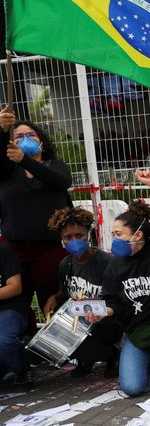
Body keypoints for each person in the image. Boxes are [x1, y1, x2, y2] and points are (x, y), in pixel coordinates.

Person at [86, 170, 150, 397]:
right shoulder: (114, 265)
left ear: (138, 235)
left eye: (119, 234)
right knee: (132, 388)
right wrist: (104, 312)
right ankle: (147, 357)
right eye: (113, 233)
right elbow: (112, 300)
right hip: (136, 330)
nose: (114, 239)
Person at [0, 106, 72, 335]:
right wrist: (2, 130)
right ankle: (22, 344)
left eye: (31, 134)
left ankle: (58, 344)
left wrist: (26, 160)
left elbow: (61, 182)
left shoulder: (55, 166)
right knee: (17, 302)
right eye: (18, 136)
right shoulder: (6, 170)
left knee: (52, 299)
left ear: (41, 141)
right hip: (14, 249)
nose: (25, 139)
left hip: (49, 248)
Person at [42, 207, 123, 378]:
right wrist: (54, 297)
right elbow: (65, 291)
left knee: (85, 350)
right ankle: (86, 359)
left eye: (79, 236)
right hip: (80, 323)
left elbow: (118, 299)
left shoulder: (106, 262)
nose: (74, 241)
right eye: (68, 237)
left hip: (106, 322)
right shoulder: (65, 264)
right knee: (55, 346)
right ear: (62, 239)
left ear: (88, 234)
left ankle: (113, 354)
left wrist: (92, 301)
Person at [0, 241, 29, 384]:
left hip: (9, 307)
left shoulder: (3, 250)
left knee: (4, 341)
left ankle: (21, 368)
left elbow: (15, 287)